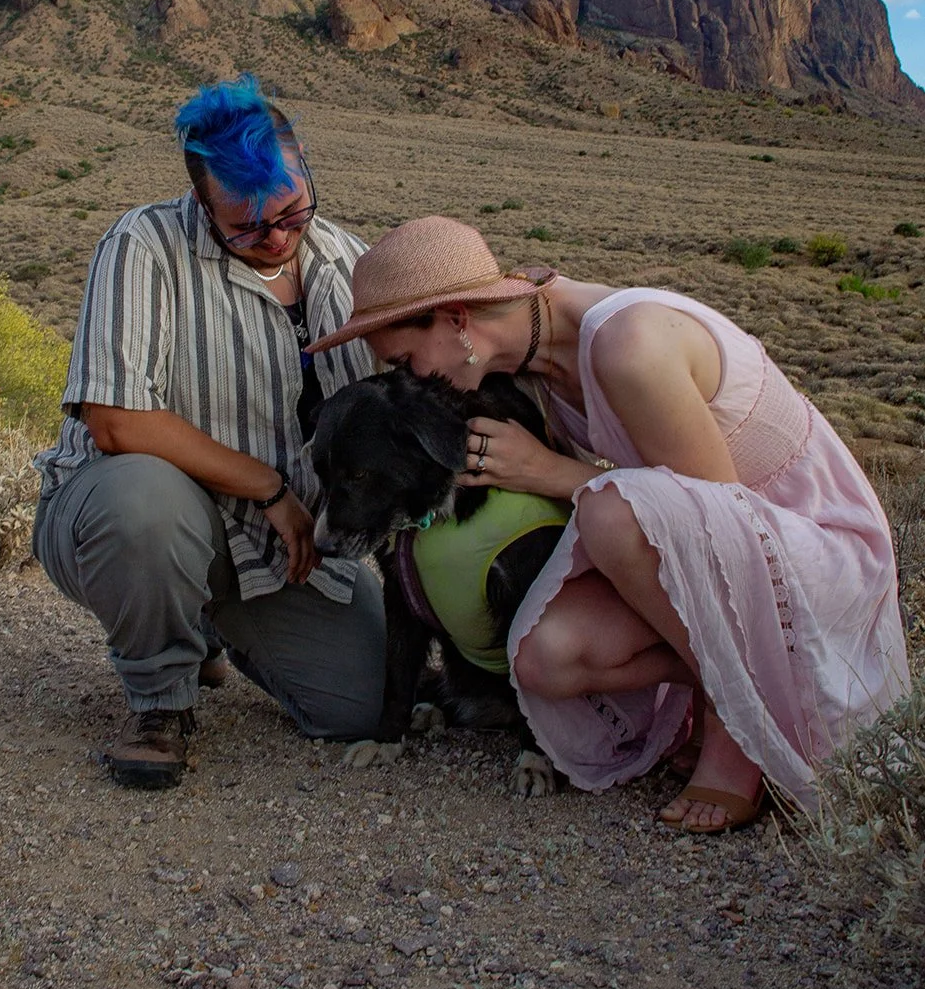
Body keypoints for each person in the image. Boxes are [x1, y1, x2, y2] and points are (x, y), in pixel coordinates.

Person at [308, 215, 909, 832]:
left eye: (405, 361)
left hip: (804, 544)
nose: (407, 382)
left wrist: (547, 471)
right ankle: (754, 681)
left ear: (457, 319)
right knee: (542, 659)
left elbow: (725, 529)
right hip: (713, 553)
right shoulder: (529, 357)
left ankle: (736, 736)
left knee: (612, 514)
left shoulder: (630, 348)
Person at [33, 77, 386, 787]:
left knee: (366, 707)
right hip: (132, 518)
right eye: (246, 225)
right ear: (201, 201)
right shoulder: (144, 244)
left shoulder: (355, 264)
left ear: (309, 171)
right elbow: (115, 419)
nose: (277, 236)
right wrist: (268, 488)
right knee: (143, 500)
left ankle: (205, 627)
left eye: (291, 211)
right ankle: (159, 703)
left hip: (271, 549)